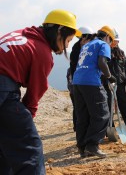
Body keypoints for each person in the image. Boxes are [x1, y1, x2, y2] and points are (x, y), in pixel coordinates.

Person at [0, 9, 80, 174]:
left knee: (5, 144)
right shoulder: (42, 52)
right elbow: (33, 95)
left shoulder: (20, 34)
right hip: (3, 88)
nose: (67, 45)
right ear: (59, 31)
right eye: (68, 40)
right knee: (29, 147)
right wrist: (26, 120)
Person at [72, 25, 116, 158]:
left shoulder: (87, 45)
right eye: (111, 40)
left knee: (83, 116)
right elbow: (102, 62)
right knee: (102, 114)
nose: (110, 43)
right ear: (108, 37)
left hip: (77, 82)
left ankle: (82, 147)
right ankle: (92, 145)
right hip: (91, 83)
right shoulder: (103, 44)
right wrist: (109, 77)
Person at [69, 26, 95, 131]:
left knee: (82, 106)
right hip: (78, 81)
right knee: (78, 106)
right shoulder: (77, 50)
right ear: (83, 37)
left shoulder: (82, 48)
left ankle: (82, 127)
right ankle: (78, 128)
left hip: (80, 81)